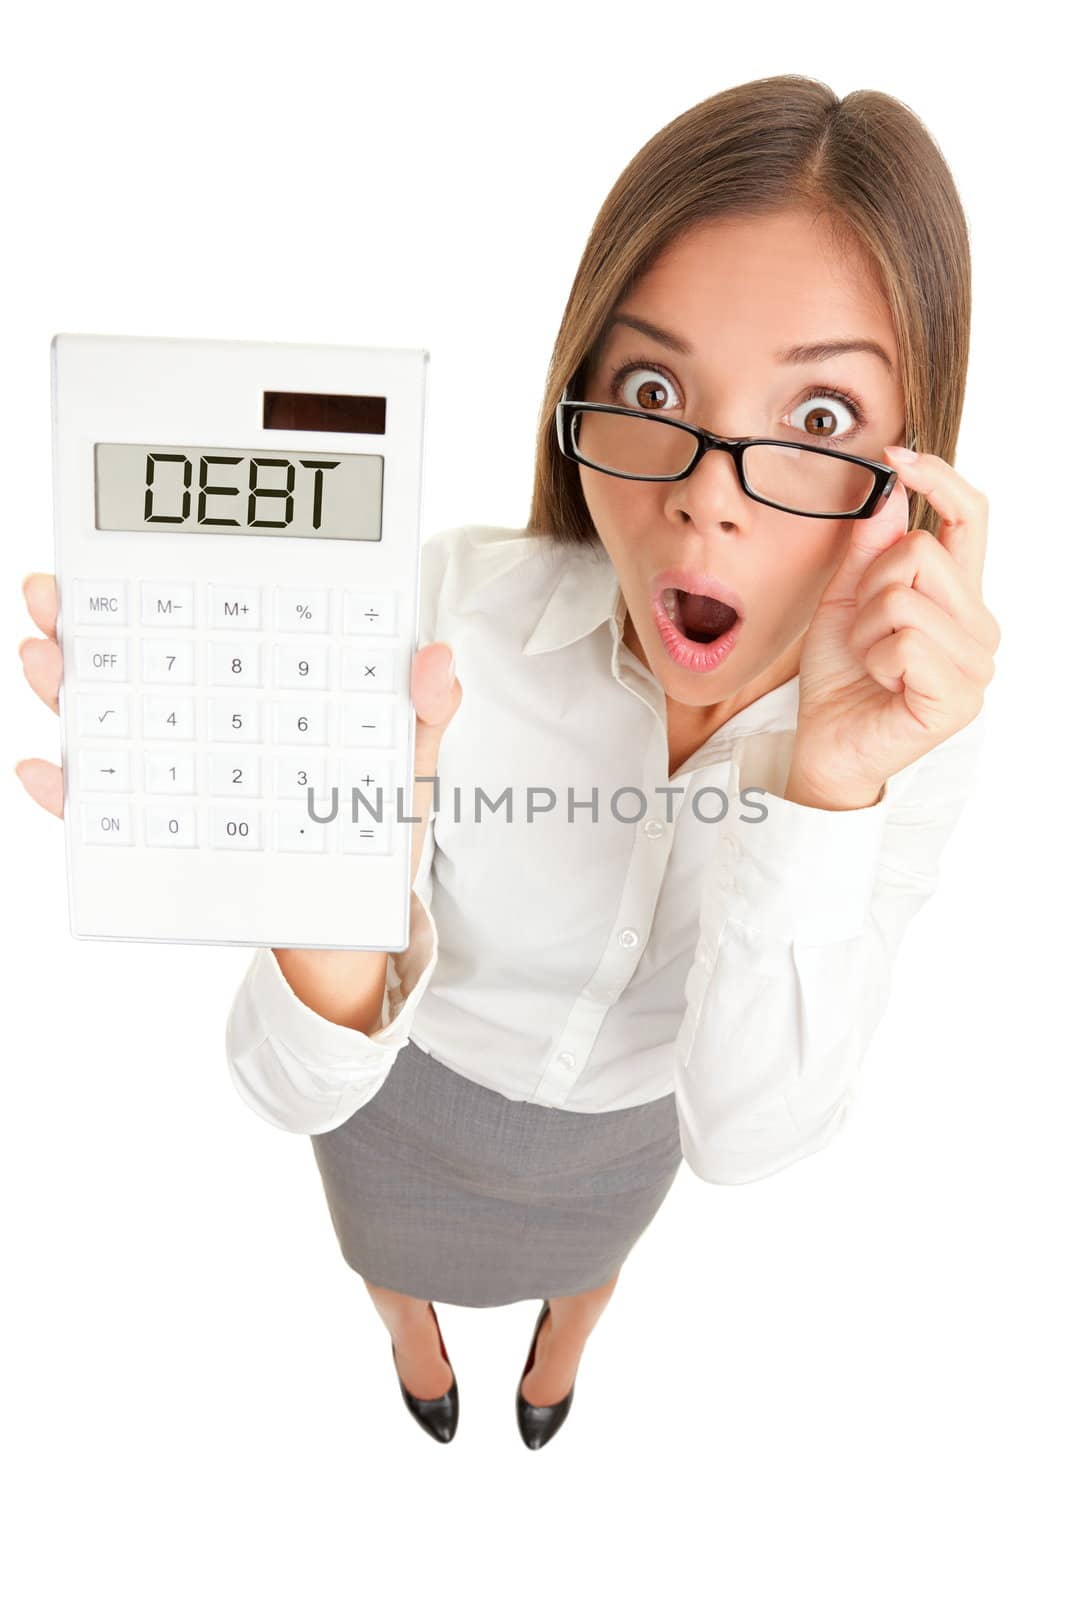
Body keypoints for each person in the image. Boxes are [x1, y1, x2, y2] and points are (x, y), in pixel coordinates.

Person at [16, 74, 1001, 1451]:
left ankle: (561, 1353)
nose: (705, 491)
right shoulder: (449, 616)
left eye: (820, 419)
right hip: (401, 1091)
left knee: (594, 1266)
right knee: (386, 1255)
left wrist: (831, 782)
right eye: (652, 387)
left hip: (623, 1136)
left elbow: (748, 1137)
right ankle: (413, 1338)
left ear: (914, 462)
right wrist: (317, 888)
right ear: (580, 387)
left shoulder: (912, 732)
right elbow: (288, 1083)